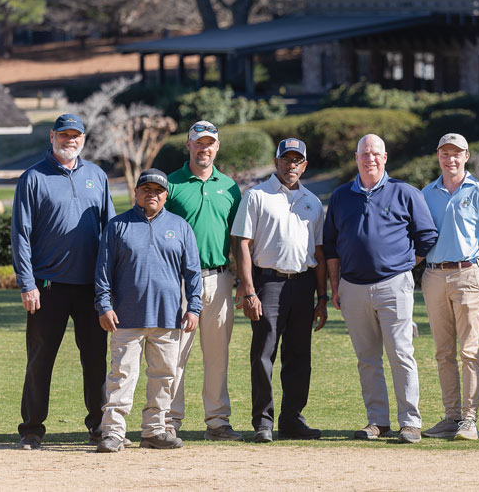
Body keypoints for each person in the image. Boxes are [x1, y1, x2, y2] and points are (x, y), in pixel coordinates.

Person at [323, 134, 438, 444]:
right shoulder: (341, 196)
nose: (370, 158)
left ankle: (410, 422)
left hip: (394, 286)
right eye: (364, 153)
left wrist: (401, 266)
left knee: (401, 354)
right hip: (352, 288)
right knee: (367, 359)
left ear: (385, 157)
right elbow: (331, 247)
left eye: (375, 153)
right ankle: (378, 421)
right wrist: (336, 286)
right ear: (357, 157)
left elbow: (427, 236)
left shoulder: (405, 193)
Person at [11, 113, 115, 450]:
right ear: (53, 136)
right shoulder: (33, 178)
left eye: (76, 136)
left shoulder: (96, 176)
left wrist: (111, 286)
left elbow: (111, 232)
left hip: (90, 288)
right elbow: (21, 234)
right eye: (64, 135)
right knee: (40, 359)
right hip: (47, 287)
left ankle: (99, 427)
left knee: (96, 360)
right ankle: (31, 429)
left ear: (83, 140)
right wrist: (27, 283)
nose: (70, 140)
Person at [94, 169, 202, 452]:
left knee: (164, 376)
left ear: (166, 195)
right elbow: (103, 271)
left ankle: (154, 430)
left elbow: (192, 273)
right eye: (146, 189)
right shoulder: (118, 226)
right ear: (136, 192)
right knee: (121, 376)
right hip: (125, 317)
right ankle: (114, 432)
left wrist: (194, 307)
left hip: (168, 317)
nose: (151, 194)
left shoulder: (180, 227)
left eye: (158, 191)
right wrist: (104, 305)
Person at [231, 138, 328, 443]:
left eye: (297, 160)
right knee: (264, 354)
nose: (291, 165)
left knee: (299, 356)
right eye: (286, 159)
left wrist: (322, 297)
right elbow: (241, 243)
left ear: (305, 165)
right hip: (268, 283)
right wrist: (248, 289)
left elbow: (320, 253)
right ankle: (263, 422)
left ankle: (291, 419)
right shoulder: (257, 195)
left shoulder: (313, 201)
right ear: (276, 162)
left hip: (303, 285)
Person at [165, 121, 243, 442]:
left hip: (220, 279)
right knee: (174, 354)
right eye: (199, 143)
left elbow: (239, 240)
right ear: (189, 145)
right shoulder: (171, 185)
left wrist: (243, 283)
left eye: (209, 143)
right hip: (180, 283)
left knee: (217, 355)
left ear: (217, 148)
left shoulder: (230, 187)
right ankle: (168, 420)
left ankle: (217, 421)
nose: (204, 149)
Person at [420, 133, 479, 441]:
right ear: (438, 156)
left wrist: (476, 273)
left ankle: (469, 419)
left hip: (468, 274)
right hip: (434, 276)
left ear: (466, 156)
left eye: (456, 153)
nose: (450, 159)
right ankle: (451, 417)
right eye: (444, 153)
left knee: (468, 350)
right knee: (443, 352)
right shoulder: (426, 193)